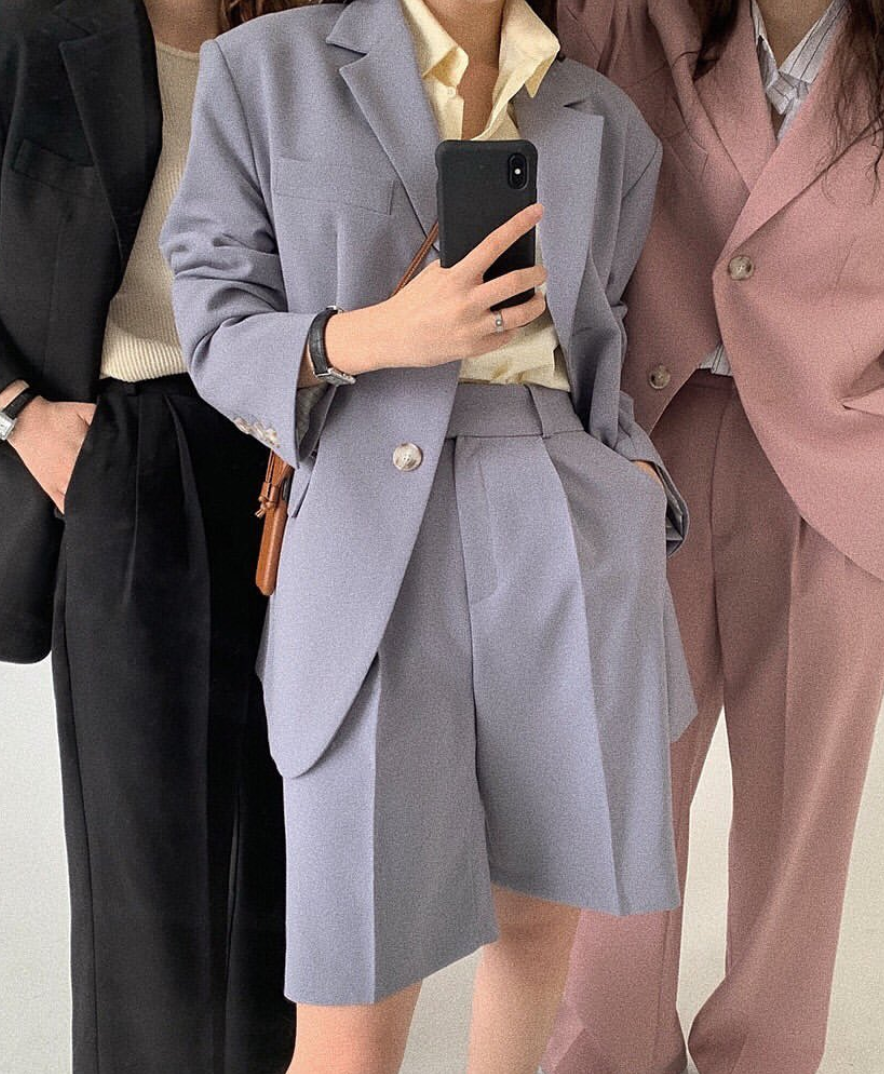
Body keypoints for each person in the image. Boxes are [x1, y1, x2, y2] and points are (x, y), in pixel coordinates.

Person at [158, 0, 697, 1070]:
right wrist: (372, 335)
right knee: (354, 980)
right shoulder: (266, 69)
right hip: (365, 529)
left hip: (563, 513)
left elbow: (603, 331)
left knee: (540, 917)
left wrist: (631, 477)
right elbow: (214, 325)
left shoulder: (599, 115)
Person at [542, 2, 884, 1073]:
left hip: (843, 475)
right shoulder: (622, 16)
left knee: (802, 817)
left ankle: (767, 1057)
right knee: (615, 794)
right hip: (636, 452)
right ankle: (604, 1055)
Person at [0, 1, 299, 1070]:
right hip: (126, 456)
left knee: (291, 860)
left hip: (301, 456)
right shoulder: (26, 23)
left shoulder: (315, 26)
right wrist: (16, 416)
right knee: (150, 876)